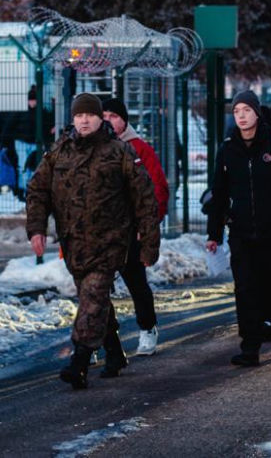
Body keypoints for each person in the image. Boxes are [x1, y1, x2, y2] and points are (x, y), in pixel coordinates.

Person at [26, 93, 160, 390]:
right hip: (74, 243)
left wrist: (149, 243)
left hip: (110, 243)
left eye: (90, 115)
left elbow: (145, 198)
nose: (84, 120)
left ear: (100, 118)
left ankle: (80, 361)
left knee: (94, 295)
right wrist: (36, 228)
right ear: (72, 119)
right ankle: (114, 352)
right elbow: (37, 190)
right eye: (78, 115)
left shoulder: (119, 152)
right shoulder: (60, 152)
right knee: (95, 301)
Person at [205, 90, 271, 366]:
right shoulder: (228, 151)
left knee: (270, 286)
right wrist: (214, 233)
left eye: (246, 110)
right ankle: (249, 346)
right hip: (240, 231)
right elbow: (218, 193)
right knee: (245, 289)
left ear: (257, 113)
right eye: (236, 111)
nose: (241, 115)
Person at [102, 98, 169, 357]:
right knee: (97, 289)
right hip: (105, 231)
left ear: (124, 120)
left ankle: (147, 327)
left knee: (136, 283)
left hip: (131, 230)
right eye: (104, 115)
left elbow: (158, 189)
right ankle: (99, 339)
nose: (108, 120)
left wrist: (149, 224)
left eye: (113, 115)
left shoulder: (139, 148)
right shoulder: (95, 150)